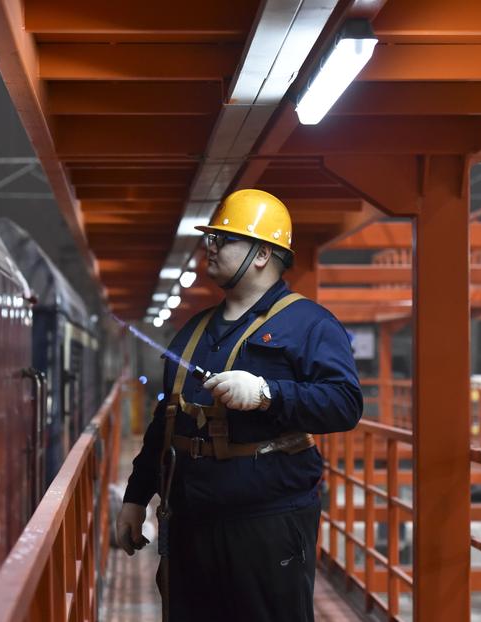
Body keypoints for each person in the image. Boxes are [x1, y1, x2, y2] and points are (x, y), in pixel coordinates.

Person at [115, 189, 363, 622]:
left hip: (267, 522)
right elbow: (166, 423)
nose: (209, 248)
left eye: (223, 239)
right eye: (211, 238)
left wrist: (269, 393)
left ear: (263, 254)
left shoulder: (309, 324)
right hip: (192, 522)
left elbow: (344, 403)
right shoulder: (194, 331)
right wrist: (136, 497)